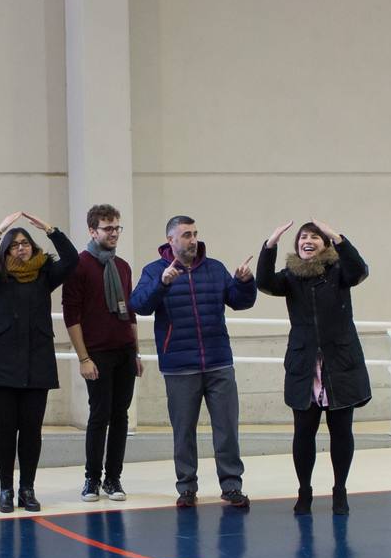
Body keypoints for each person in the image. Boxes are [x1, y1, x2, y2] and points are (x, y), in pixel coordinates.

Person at [129, 216, 257, 509]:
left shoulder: (214, 269)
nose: (193, 239)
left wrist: (245, 282)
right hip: (179, 365)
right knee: (183, 430)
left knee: (227, 428)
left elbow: (239, 301)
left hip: (218, 362)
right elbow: (139, 305)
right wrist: (161, 285)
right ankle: (186, 487)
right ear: (171, 240)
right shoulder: (154, 271)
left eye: (195, 233)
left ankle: (231, 485)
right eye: (186, 234)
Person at [255, 219, 370, 515]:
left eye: (315, 237)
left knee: (341, 431)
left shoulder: (339, 272)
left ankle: (339, 490)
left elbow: (359, 270)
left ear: (326, 244)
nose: (308, 241)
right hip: (305, 366)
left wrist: (337, 236)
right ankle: (304, 490)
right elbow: (264, 282)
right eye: (303, 237)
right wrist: (270, 245)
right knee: (303, 433)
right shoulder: (290, 276)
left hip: (340, 364)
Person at [0, 211, 78, 513]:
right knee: (5, 428)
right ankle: (6, 488)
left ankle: (27, 488)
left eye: (25, 243)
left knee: (31, 429)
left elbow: (71, 260)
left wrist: (51, 229)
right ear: (6, 250)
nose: (21, 248)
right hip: (0, 364)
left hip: (37, 361)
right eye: (15, 244)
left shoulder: (45, 274)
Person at [63, 204, 142, 502]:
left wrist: (136, 353)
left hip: (123, 351)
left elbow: (130, 313)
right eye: (107, 228)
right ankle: (92, 478)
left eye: (117, 228)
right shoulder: (79, 265)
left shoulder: (122, 267)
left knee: (120, 415)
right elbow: (72, 316)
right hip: (97, 353)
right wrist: (84, 358)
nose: (113, 234)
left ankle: (113, 478)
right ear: (92, 231)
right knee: (99, 415)